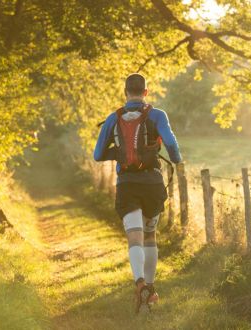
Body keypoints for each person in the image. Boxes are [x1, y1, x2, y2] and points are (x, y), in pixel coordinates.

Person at [93, 73, 182, 312]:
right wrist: (177, 161)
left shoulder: (114, 118)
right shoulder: (157, 114)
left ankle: (139, 283)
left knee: (135, 236)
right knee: (150, 235)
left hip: (127, 184)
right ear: (145, 92)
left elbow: (98, 154)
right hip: (152, 183)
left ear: (125, 92)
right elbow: (172, 144)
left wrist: (119, 154)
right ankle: (150, 290)